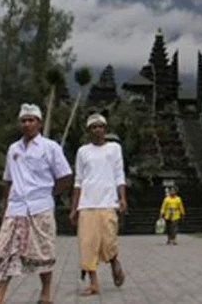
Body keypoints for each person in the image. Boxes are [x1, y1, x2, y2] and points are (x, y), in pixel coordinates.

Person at [0, 103, 73, 304]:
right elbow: (8, 180)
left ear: (39, 123)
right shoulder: (13, 149)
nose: (27, 124)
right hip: (16, 208)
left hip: (40, 207)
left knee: (43, 253)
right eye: (23, 120)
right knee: (4, 252)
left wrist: (50, 193)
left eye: (31, 120)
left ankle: (45, 294)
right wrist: (6, 207)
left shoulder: (50, 148)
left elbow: (65, 176)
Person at [70, 114, 127, 295]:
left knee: (108, 241)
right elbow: (78, 180)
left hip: (108, 202)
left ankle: (114, 261)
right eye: (93, 127)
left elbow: (119, 175)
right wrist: (74, 208)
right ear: (89, 131)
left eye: (100, 126)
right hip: (87, 204)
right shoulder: (82, 151)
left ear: (105, 129)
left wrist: (122, 198)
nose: (97, 130)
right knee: (87, 244)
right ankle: (94, 284)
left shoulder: (114, 149)